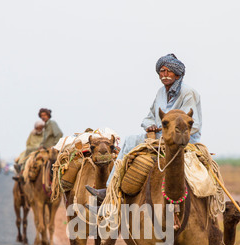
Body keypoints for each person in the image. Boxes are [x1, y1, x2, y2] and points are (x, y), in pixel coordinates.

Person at [86, 53, 202, 202]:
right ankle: (109, 189)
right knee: (129, 140)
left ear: (178, 74)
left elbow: (193, 124)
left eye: (168, 71)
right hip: (158, 138)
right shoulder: (161, 93)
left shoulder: (188, 93)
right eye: (162, 71)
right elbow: (149, 117)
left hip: (182, 139)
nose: (164, 75)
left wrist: (168, 131)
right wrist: (151, 126)